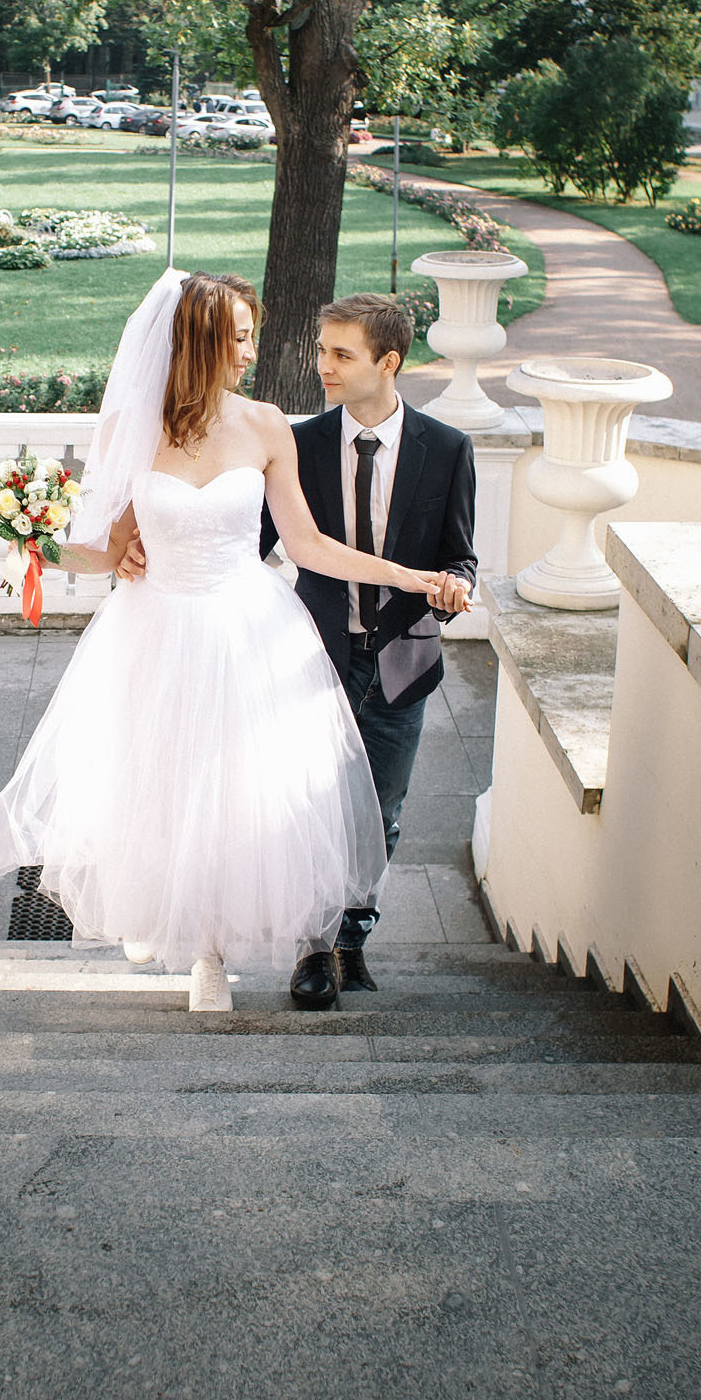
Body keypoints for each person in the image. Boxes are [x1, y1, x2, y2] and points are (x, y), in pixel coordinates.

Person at [0, 271, 463, 1013]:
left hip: (251, 630)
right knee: (174, 791)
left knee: (252, 794)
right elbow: (108, 551)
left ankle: (266, 944)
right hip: (159, 631)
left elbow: (307, 545)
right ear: (202, 341)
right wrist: (32, 538)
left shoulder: (267, 426)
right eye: (240, 337)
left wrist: (407, 574)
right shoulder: (130, 432)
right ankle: (202, 955)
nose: (252, 352)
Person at [258, 294, 477, 1009]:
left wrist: (452, 589)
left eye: (340, 354)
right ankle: (313, 948)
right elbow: (250, 544)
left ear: (389, 362)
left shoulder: (446, 450)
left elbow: (460, 556)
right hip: (312, 658)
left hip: (400, 663)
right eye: (322, 349)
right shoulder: (299, 443)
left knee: (380, 812)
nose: (322, 365)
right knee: (311, 804)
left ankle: (353, 937)